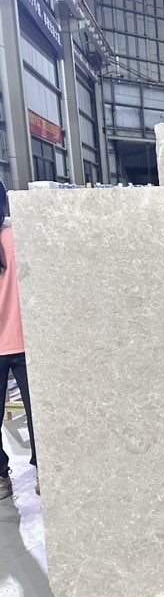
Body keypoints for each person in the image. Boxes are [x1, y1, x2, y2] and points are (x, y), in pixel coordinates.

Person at [0, 181, 37, 499]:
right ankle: (44, 472)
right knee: (40, 413)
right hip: (29, 342)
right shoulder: (22, 238)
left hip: (13, 345)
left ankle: (1, 477)